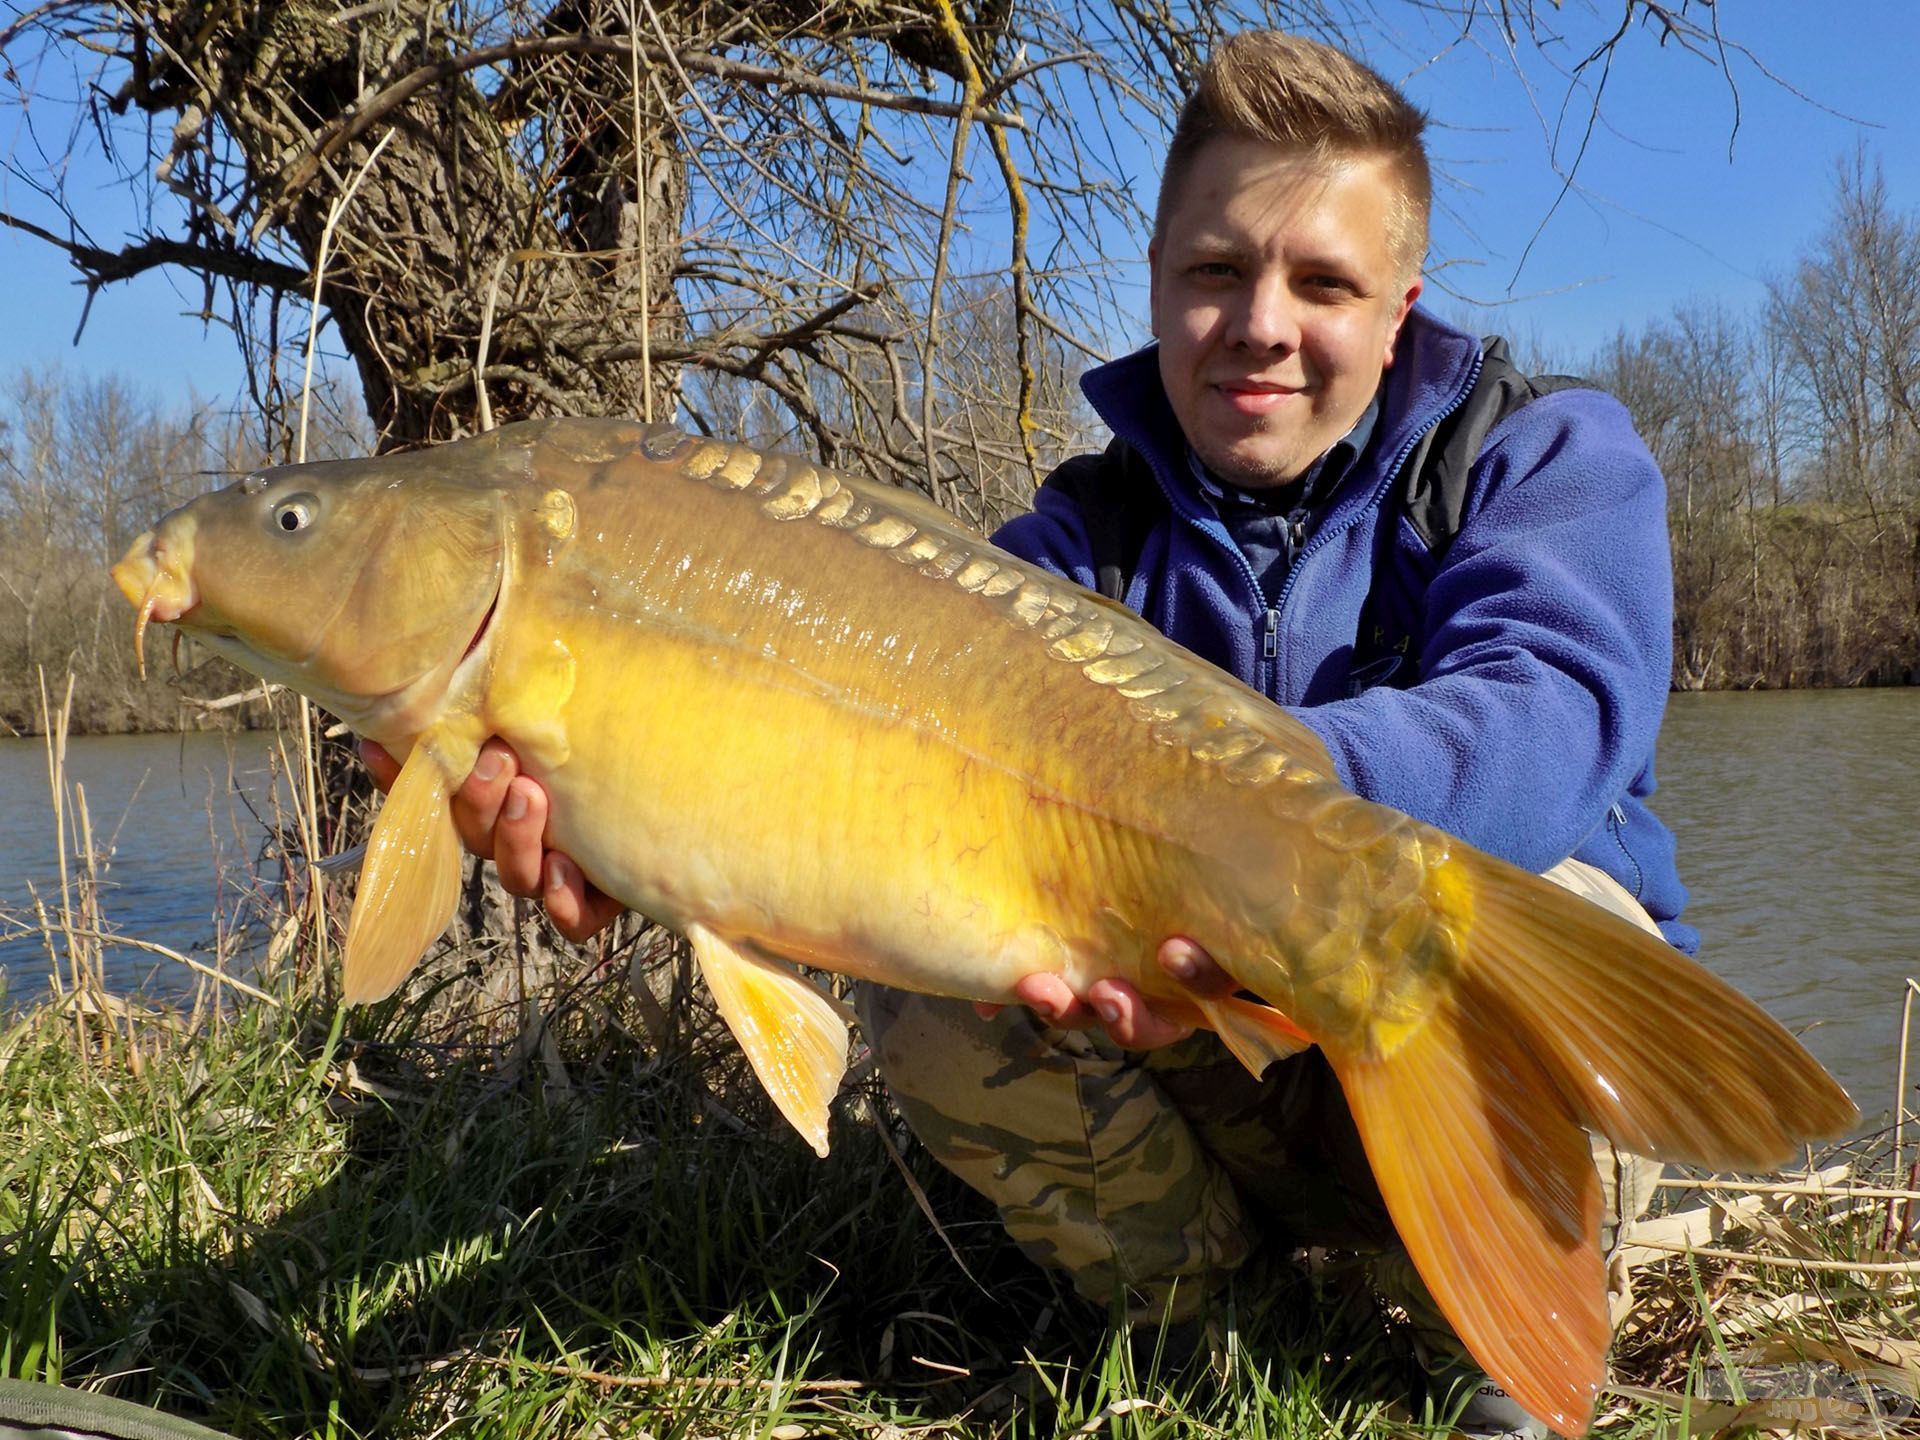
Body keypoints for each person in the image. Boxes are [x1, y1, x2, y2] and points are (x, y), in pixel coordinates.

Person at [364, 29, 1684, 1438]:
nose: (1262, 324)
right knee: (941, 986)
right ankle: (1207, 1333)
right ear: (1161, 281)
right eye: (1217, 272)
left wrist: (1250, 820)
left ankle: (1495, 1324)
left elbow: (1555, 719)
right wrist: (641, 827)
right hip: (1197, 1048)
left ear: (1402, 302)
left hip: (1425, 1006)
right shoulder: (1058, 555)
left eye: (1325, 284)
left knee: (1523, 906)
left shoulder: (1540, 457)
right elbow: (854, 814)